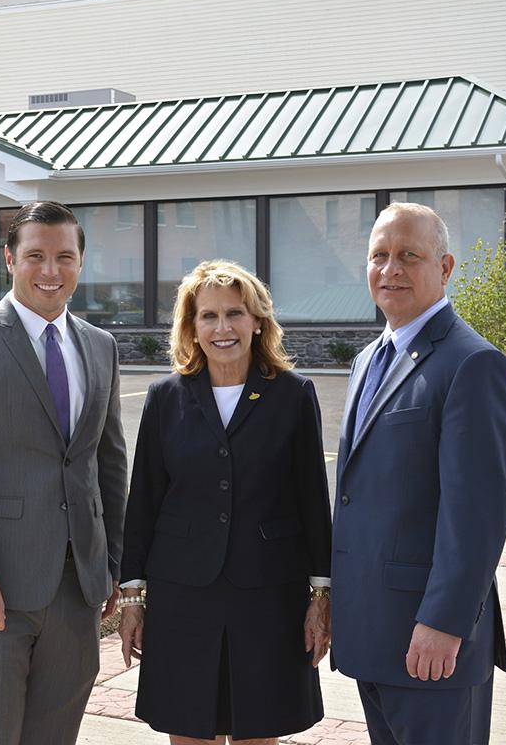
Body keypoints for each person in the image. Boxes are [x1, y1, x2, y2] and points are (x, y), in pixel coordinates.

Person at [0, 201, 128, 745]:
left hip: (77, 587)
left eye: (64, 256)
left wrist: (112, 565)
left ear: (81, 263)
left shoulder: (101, 347)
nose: (50, 270)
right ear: (10, 259)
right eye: (35, 255)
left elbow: (109, 463)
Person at [330, 203, 506, 745]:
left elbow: (477, 514)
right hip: (375, 633)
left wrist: (445, 622)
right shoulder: (370, 358)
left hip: (432, 644)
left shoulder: (473, 364)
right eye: (379, 256)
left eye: (408, 256)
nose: (390, 269)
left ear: (445, 267)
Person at [119, 260, 333, 745]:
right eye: (208, 316)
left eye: (235, 313)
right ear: (191, 327)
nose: (223, 328)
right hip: (182, 597)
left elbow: (312, 501)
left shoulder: (294, 395)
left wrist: (321, 597)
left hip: (269, 596)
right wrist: (133, 600)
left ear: (258, 321)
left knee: (259, 730)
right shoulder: (164, 397)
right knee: (189, 730)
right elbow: (145, 501)